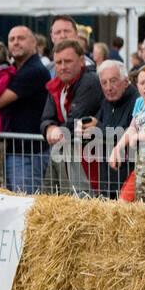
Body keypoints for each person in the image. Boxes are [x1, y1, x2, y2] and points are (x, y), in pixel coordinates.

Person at [0, 25, 51, 193]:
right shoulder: (13, 69)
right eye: (12, 39)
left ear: (34, 43)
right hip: (16, 150)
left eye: (21, 38)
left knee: (24, 204)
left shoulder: (34, 70)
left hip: (28, 154)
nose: (16, 43)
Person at [39, 40, 103, 196]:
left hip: (92, 156)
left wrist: (58, 130)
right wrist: (49, 128)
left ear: (81, 61)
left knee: (87, 199)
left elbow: (76, 120)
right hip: (69, 154)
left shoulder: (90, 81)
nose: (62, 66)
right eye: (58, 62)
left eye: (68, 61)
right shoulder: (57, 84)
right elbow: (46, 117)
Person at [108, 63, 145, 201]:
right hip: (143, 160)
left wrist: (138, 137)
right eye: (142, 83)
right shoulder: (140, 102)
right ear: (137, 85)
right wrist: (118, 148)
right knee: (125, 198)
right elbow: (132, 128)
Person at [91, 59, 139, 197]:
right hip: (108, 176)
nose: (109, 87)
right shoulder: (106, 102)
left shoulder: (137, 100)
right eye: (104, 83)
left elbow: (129, 133)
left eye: (113, 81)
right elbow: (97, 125)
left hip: (130, 175)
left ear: (125, 81)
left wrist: (97, 127)